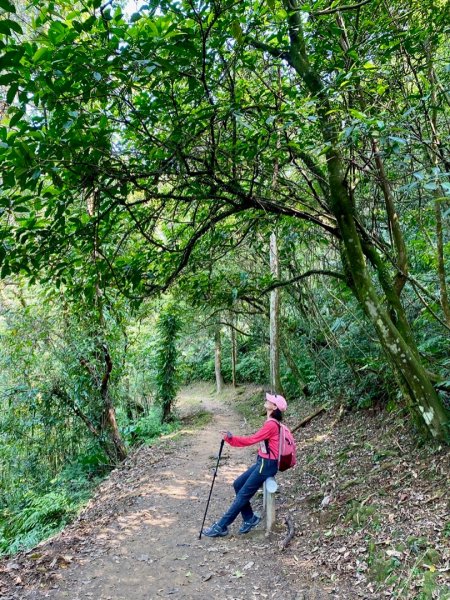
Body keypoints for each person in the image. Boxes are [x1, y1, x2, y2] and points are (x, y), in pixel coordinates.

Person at [202, 392, 287, 537]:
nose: (267, 400)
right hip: (263, 462)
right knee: (238, 484)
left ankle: (220, 526)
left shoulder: (271, 425)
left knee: (242, 494)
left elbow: (251, 440)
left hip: (266, 465)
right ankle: (249, 518)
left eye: (270, 400)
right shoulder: (271, 422)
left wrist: (231, 439)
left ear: (274, 407)